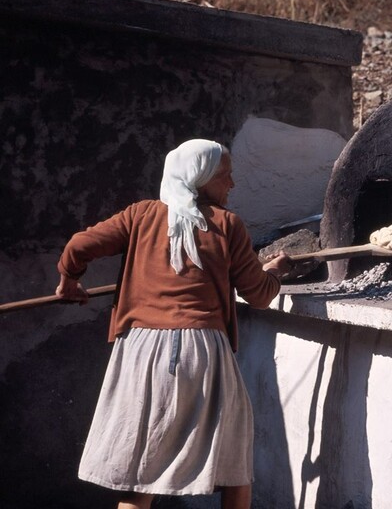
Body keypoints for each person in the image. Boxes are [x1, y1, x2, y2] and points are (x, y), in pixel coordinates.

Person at [55, 139, 291, 509]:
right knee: (233, 454)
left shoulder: (139, 216)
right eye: (224, 176)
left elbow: (80, 245)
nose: (232, 185)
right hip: (202, 350)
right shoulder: (227, 225)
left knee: (142, 468)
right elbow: (259, 295)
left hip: (140, 352)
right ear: (199, 179)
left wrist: (70, 280)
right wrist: (275, 271)